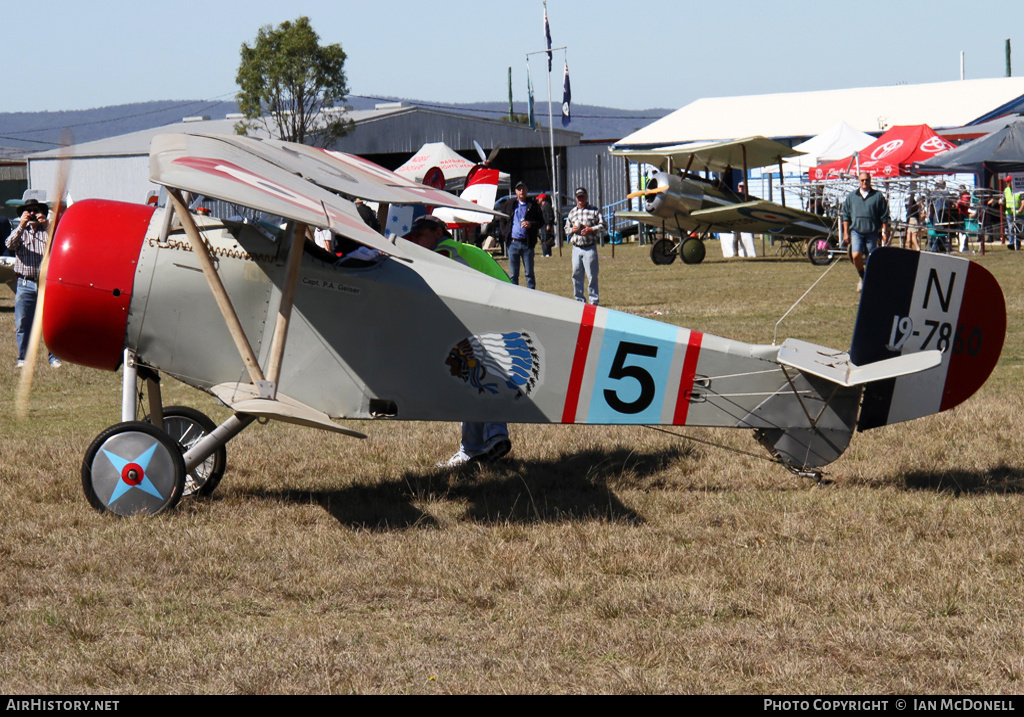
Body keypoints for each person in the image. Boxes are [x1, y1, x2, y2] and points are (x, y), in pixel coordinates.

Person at [402, 214, 513, 467]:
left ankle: (487, 438)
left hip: (494, 315)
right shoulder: (467, 249)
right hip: (504, 311)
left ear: (438, 232)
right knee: (473, 377)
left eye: (420, 237)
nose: (417, 243)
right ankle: (480, 443)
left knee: (474, 375)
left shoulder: (444, 252)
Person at [5, 198, 59, 368]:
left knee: (49, 323)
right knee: (22, 322)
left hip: (45, 283)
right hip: (24, 283)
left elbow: (59, 242)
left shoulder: (47, 232)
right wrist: (21, 225)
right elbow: (9, 244)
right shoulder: (21, 231)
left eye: (35, 210)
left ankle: (53, 357)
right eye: (29, 211)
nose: (33, 214)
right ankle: (24, 358)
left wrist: (48, 225)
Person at [841, 172, 890, 291]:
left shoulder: (877, 196)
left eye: (867, 180)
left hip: (872, 232)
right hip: (856, 231)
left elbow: (884, 216)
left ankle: (871, 281)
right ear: (859, 181)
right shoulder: (852, 197)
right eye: (862, 180)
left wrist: (885, 232)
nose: (864, 182)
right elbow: (846, 216)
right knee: (856, 255)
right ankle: (862, 277)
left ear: (870, 180)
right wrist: (846, 233)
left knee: (871, 258)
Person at [564, 186, 605, 305]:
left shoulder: (594, 210)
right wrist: (572, 229)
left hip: (589, 248)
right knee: (576, 274)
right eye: (578, 197)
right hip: (576, 248)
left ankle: (593, 301)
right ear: (576, 199)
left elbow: (603, 226)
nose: (580, 199)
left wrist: (591, 229)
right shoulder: (572, 212)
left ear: (586, 197)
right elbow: (566, 229)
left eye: (582, 197)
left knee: (592, 276)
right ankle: (579, 300)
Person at [499, 181, 543, 289]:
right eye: (519, 189)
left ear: (527, 191)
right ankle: (515, 296)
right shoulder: (510, 204)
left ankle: (531, 294)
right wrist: (505, 234)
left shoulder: (533, 205)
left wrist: (531, 224)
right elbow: (502, 220)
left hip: (527, 244)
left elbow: (541, 221)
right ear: (516, 191)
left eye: (523, 189)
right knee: (513, 274)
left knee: (529, 273)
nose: (521, 191)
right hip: (513, 243)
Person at [1003, 176, 1020, 250]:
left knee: (1018, 229)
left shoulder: (1019, 189)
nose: (1006, 183)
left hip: (1018, 213)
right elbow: (1003, 200)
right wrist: (1000, 201)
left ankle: (1017, 244)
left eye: (1008, 181)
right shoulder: (1006, 190)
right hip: (1009, 212)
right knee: (1010, 228)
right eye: (1006, 181)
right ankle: (1011, 243)